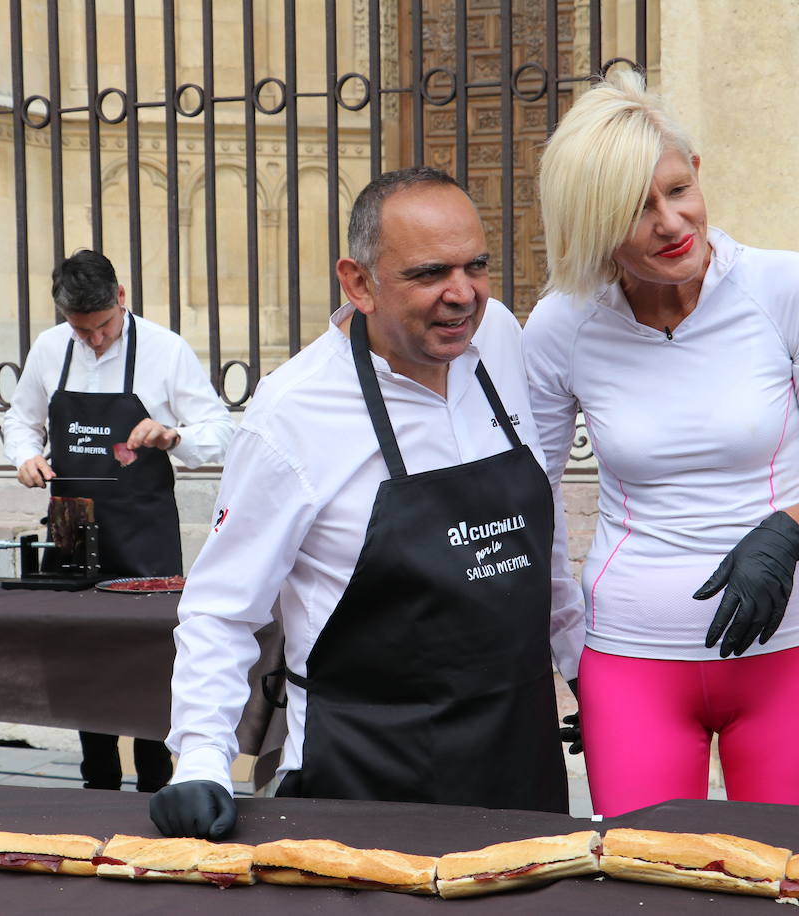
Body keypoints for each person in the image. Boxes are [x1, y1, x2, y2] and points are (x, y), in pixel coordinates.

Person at [150, 167, 585, 840]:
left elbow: (539, 537)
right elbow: (221, 606)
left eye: (477, 266)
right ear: (357, 282)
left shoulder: (496, 337)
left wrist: (583, 667)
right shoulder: (293, 412)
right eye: (429, 273)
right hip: (368, 776)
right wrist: (202, 758)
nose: (462, 294)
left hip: (519, 761)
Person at [523, 69, 799, 817]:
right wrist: (570, 652)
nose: (670, 222)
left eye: (677, 190)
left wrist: (786, 535)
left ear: (698, 173)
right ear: (592, 226)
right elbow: (534, 502)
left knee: (793, 874)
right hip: (629, 657)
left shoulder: (792, 290)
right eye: (635, 209)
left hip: (789, 650)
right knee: (646, 884)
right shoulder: (562, 325)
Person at [2, 249, 234, 793]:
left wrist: (175, 437)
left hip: (145, 529)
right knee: (82, 656)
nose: (96, 340)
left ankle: (156, 776)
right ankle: (97, 777)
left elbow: (219, 431)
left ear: (121, 299)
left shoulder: (165, 349)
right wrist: (25, 458)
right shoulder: (49, 349)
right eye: (82, 331)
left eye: (103, 326)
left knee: (152, 658)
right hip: (71, 527)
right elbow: (21, 420)